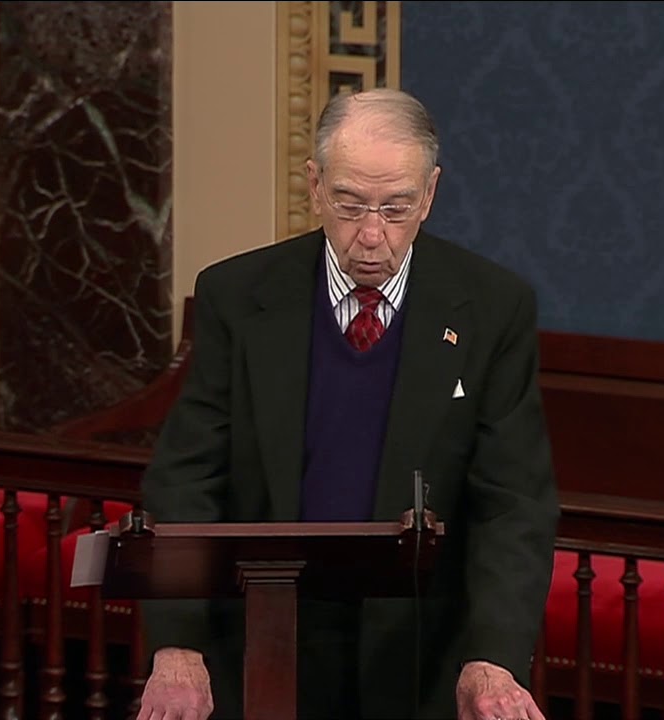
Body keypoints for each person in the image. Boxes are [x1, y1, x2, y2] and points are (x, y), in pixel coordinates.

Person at [136, 87, 559, 720]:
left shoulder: (493, 307)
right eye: (350, 204)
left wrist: (493, 658)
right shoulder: (237, 295)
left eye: (396, 208)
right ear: (314, 186)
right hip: (261, 636)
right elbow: (187, 477)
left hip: (421, 652)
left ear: (430, 194)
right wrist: (177, 645)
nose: (371, 235)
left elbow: (513, 502)